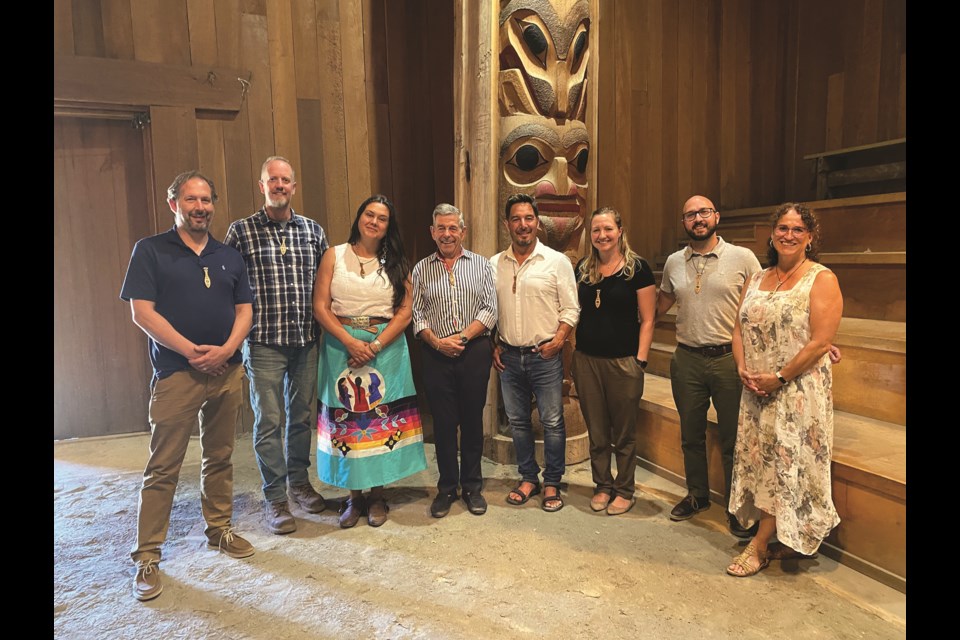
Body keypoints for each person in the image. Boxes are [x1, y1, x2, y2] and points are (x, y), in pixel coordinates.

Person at [120, 170, 255, 602]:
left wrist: (227, 350)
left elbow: (245, 309)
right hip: (178, 375)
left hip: (228, 372)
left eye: (206, 200)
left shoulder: (228, 255)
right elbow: (143, 313)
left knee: (220, 456)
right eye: (191, 199)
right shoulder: (151, 250)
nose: (200, 207)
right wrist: (194, 352)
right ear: (173, 203)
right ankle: (147, 556)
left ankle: (219, 529)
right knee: (163, 468)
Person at [725, 203, 843, 577]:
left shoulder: (821, 278)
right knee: (762, 463)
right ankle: (778, 536)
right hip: (756, 388)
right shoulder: (757, 277)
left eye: (797, 229)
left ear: (810, 237)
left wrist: (779, 376)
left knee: (784, 466)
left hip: (797, 391)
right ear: (772, 234)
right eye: (782, 228)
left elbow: (821, 342)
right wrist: (742, 367)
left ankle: (759, 545)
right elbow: (739, 328)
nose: (788, 235)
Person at [224, 156, 329, 535]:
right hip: (264, 342)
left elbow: (326, 286)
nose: (279, 185)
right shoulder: (241, 232)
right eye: (273, 180)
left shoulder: (313, 232)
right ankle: (275, 498)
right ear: (262, 185)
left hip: (305, 341)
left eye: (286, 180)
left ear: (294, 187)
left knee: (301, 418)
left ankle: (298, 483)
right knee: (269, 421)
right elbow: (228, 289)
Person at [312, 195, 427, 528]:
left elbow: (405, 312)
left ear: (388, 226)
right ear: (359, 217)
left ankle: (377, 495)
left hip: (386, 349)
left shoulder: (398, 262)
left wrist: (374, 345)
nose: (374, 222)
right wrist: (350, 341)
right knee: (348, 422)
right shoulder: (334, 255)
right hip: (340, 346)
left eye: (382, 218)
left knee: (380, 421)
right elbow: (321, 306)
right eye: (369, 214)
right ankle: (354, 496)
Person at [656, 195, 763, 538]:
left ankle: (735, 507)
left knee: (733, 439)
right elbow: (661, 302)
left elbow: (766, 301)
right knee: (691, 434)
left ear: (716, 215)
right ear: (684, 222)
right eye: (690, 215)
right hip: (687, 358)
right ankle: (698, 495)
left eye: (704, 212)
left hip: (728, 359)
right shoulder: (675, 262)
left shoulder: (743, 258)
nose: (698, 219)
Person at [492, 194, 580, 512]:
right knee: (518, 421)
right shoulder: (493, 265)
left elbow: (571, 308)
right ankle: (528, 477)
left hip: (545, 355)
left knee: (553, 420)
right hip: (509, 357)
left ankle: (552, 482)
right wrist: (493, 345)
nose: (523, 225)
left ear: (537, 223)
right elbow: (488, 311)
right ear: (507, 225)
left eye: (528, 218)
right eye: (516, 219)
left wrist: (558, 340)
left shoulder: (556, 262)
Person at [411, 203, 498, 518]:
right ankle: (447, 487)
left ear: (463, 231)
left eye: (453, 228)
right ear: (432, 232)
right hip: (435, 354)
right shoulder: (420, 269)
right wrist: (436, 341)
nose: (447, 234)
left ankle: (472, 486)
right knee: (444, 424)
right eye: (441, 228)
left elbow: (490, 310)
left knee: (472, 421)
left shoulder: (483, 265)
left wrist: (460, 338)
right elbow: (417, 314)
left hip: (473, 351)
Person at [570, 207, 656, 516]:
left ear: (619, 231)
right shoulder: (583, 268)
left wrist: (641, 360)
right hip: (588, 361)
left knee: (624, 433)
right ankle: (602, 486)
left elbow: (648, 319)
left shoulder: (638, 269)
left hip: (624, 362)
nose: (602, 235)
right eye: (596, 231)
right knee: (597, 431)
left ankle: (625, 489)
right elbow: (575, 312)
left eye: (607, 229)